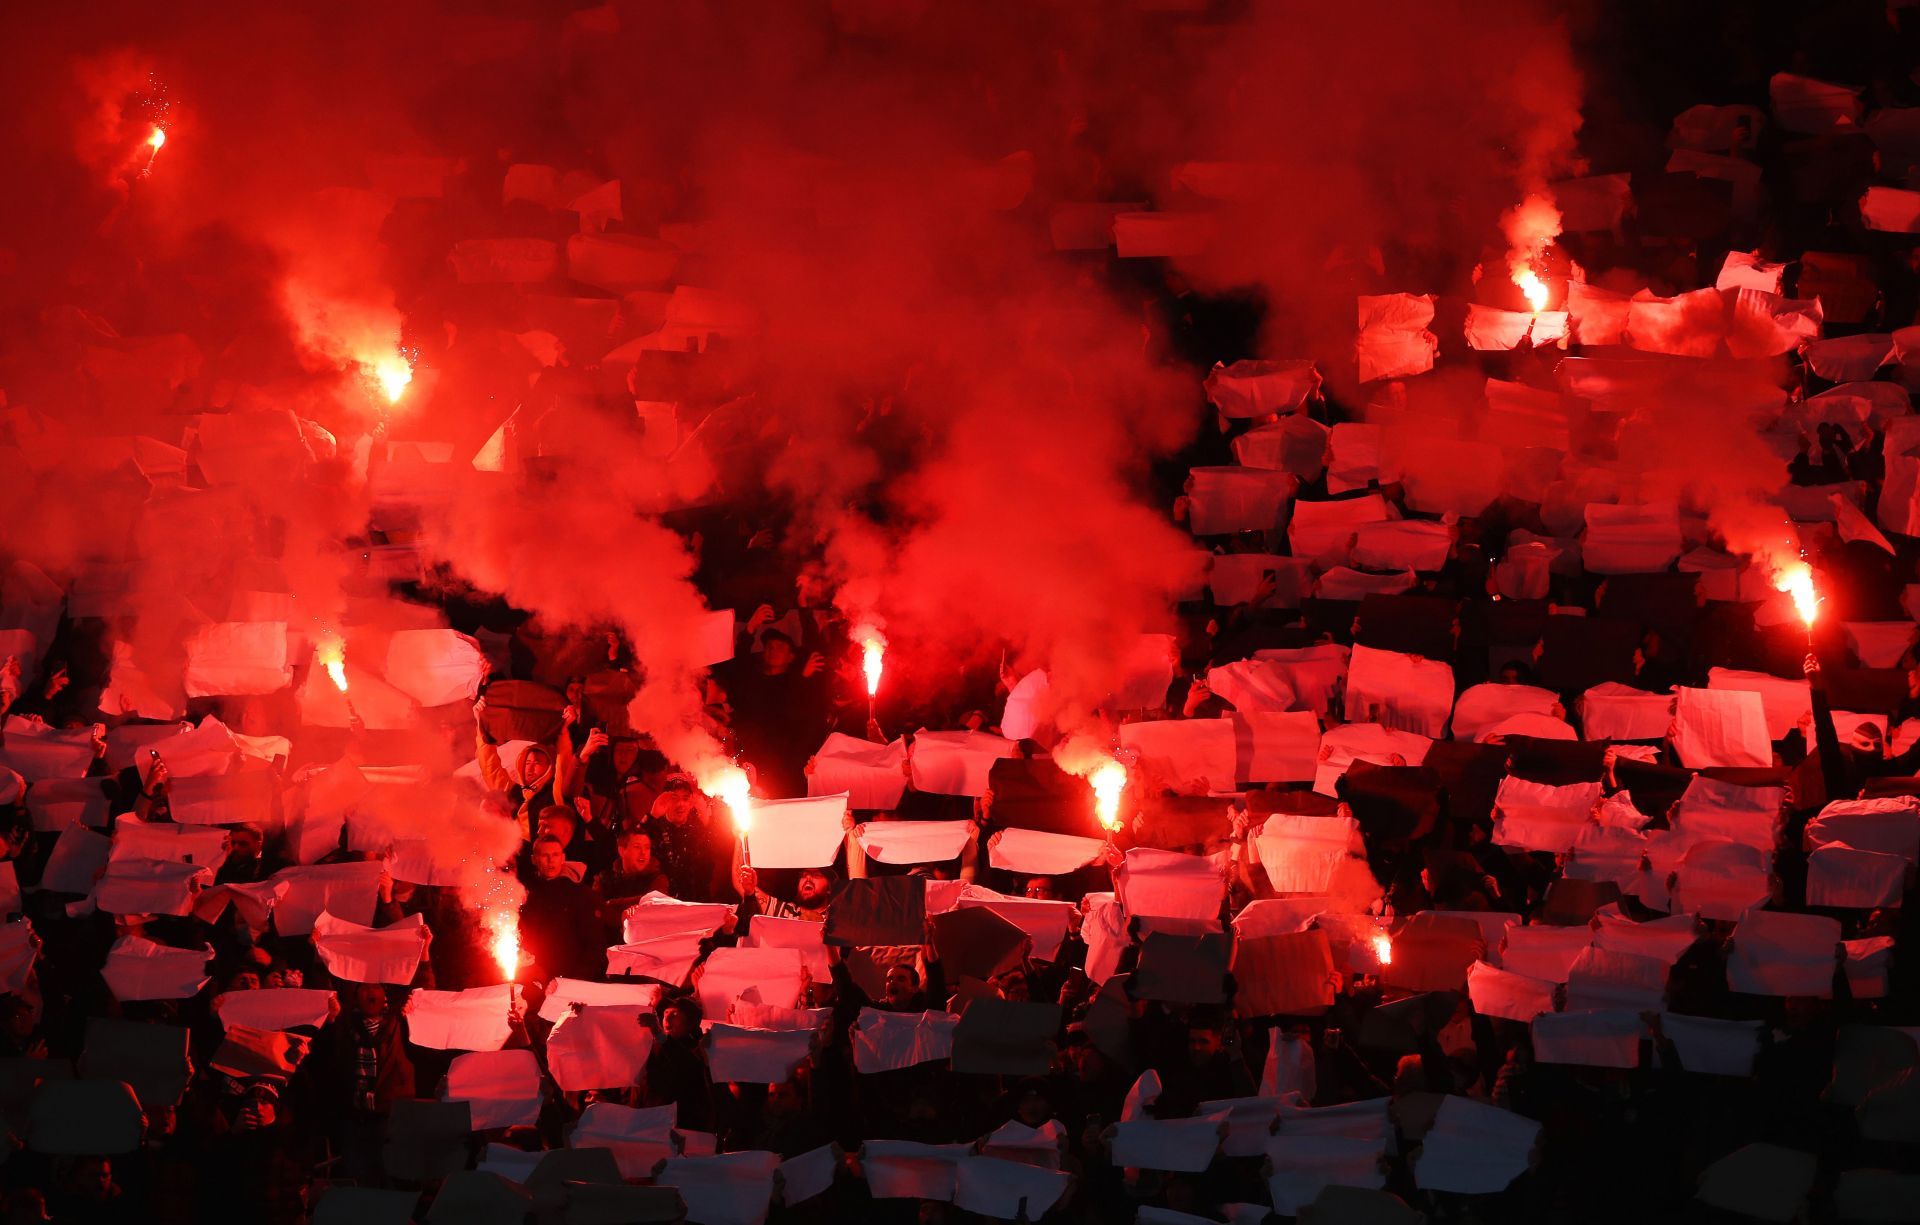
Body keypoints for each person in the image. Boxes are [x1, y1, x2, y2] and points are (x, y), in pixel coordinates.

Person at [518, 835, 603, 980]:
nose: (551, 861)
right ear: (534, 859)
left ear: (563, 858)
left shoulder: (580, 894)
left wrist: (576, 979)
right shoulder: (525, 895)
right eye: (545, 855)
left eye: (555, 855)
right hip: (534, 977)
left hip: (571, 979)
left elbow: (594, 943)